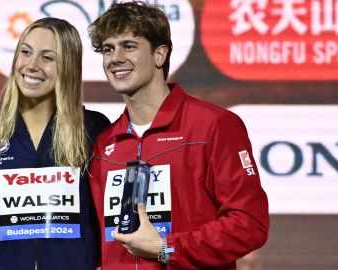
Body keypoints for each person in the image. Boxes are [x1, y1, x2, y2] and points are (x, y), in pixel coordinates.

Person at [87, 1, 269, 269]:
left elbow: (249, 224)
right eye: (107, 49)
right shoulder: (105, 143)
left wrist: (166, 247)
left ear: (160, 55)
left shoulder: (213, 125)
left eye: (129, 46)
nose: (115, 58)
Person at [0, 17, 110, 269]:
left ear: (69, 66)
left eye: (47, 57)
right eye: (25, 52)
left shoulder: (95, 130)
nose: (31, 65)